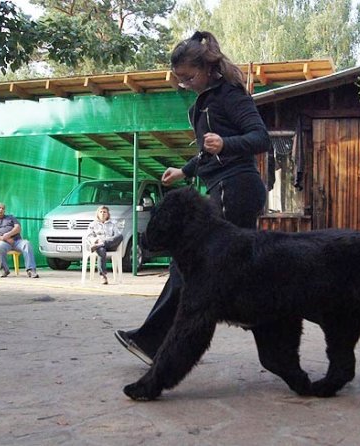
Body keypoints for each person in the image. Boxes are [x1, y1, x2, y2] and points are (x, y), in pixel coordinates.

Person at [114, 30, 271, 365]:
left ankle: (155, 342)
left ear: (208, 68)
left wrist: (227, 144)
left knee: (192, 266)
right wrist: (184, 172)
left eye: (188, 77)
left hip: (237, 188)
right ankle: (268, 326)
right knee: (220, 270)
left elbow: (261, 138)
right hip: (223, 187)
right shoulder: (205, 103)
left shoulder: (230, 95)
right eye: (180, 80)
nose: (184, 84)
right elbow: (206, 152)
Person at [0, 202, 39, 278]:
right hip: (3, 242)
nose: (1, 210)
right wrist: (3, 238)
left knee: (27, 243)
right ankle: (5, 270)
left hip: (17, 241)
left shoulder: (10, 217)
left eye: (3, 208)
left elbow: (18, 228)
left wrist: (8, 235)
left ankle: (31, 270)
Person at [85, 206, 123, 285]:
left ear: (108, 214)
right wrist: (95, 241)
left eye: (104, 212)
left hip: (110, 245)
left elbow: (117, 235)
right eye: (101, 212)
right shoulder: (93, 224)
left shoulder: (113, 223)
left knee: (120, 236)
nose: (102, 214)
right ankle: (103, 276)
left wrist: (104, 241)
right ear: (98, 214)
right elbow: (88, 236)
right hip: (99, 246)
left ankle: (101, 244)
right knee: (101, 250)